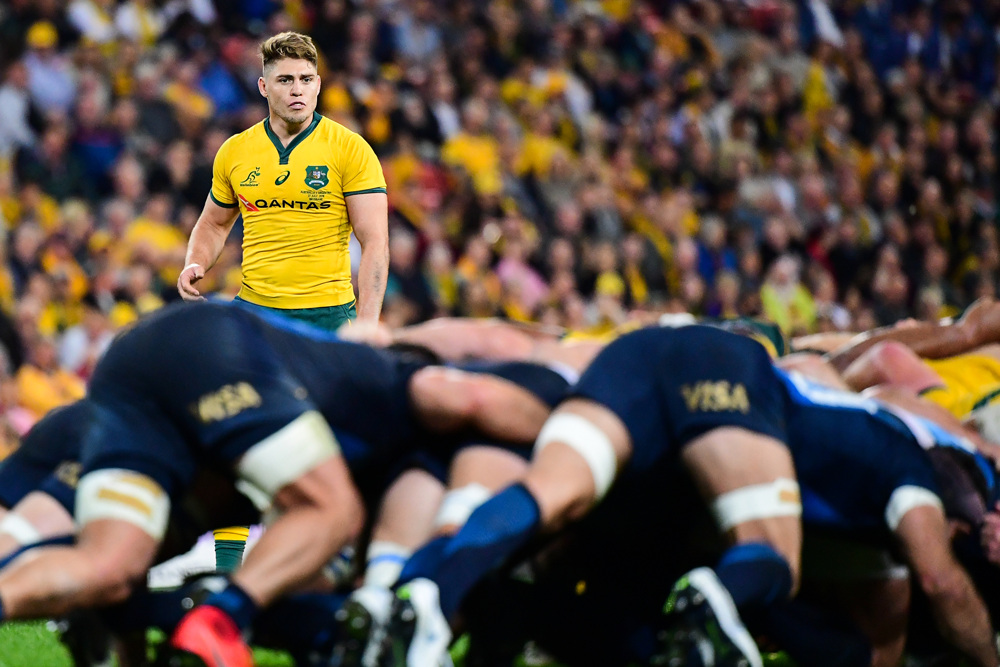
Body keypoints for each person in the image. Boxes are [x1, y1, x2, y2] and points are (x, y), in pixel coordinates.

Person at [360, 326, 999, 667]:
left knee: (552, 498)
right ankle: (713, 600)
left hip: (640, 369)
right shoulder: (908, 470)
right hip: (722, 375)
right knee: (772, 558)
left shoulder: (885, 478)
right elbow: (939, 585)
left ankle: (420, 601)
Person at [0, 300, 550, 667]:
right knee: (332, 511)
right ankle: (220, 622)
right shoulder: (392, 382)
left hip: (129, 368)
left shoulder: (330, 455)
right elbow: (463, 395)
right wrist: (567, 441)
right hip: (213, 343)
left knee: (109, 567)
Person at [177, 31, 389, 331]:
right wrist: (194, 263)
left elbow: (375, 242)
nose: (297, 90)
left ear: (317, 84)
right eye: (285, 80)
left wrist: (367, 324)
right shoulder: (235, 151)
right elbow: (214, 223)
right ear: (264, 86)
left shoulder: (351, 149)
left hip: (327, 316)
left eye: (305, 79)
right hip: (255, 313)